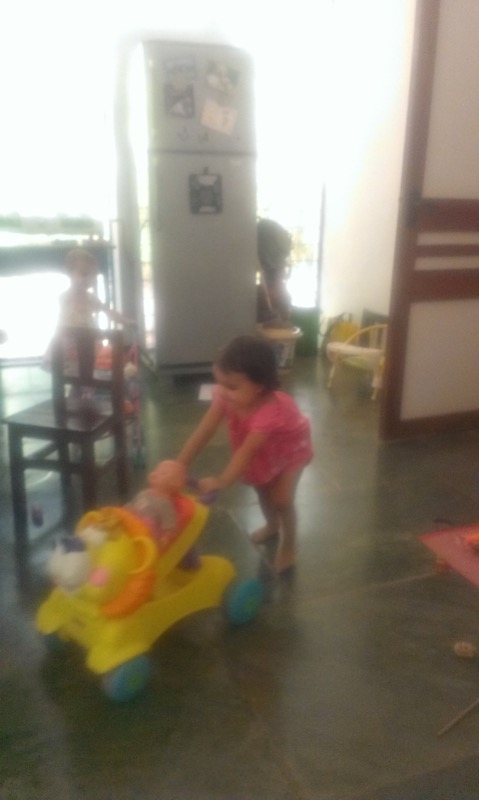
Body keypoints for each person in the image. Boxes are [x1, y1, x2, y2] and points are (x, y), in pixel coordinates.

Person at [174, 335, 313, 573]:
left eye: (232, 386)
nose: (222, 391)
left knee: (282, 499)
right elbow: (205, 430)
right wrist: (180, 464)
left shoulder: (269, 412)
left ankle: (289, 544)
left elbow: (246, 452)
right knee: (261, 488)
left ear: (259, 386)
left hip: (290, 447)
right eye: (219, 383)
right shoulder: (227, 396)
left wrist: (221, 481)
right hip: (262, 448)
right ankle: (272, 525)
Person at [57, 247, 134, 329]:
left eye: (93, 275)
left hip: (90, 334)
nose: (88, 279)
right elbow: (61, 326)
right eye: (84, 274)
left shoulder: (91, 298)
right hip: (69, 334)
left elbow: (109, 312)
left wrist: (126, 322)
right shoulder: (65, 297)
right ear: (69, 273)